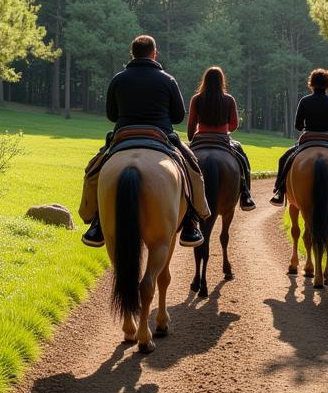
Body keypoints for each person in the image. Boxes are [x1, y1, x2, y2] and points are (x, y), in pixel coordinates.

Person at [79, 35, 211, 248]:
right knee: (192, 167)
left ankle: (95, 221)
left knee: (93, 170)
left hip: (123, 136)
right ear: (154, 53)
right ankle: (192, 220)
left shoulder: (118, 79)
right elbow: (178, 116)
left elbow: (112, 115)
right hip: (161, 136)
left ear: (132, 53)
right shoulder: (167, 79)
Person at [270, 68, 328, 207]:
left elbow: (298, 126)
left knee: (284, 159)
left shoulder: (304, 101)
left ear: (311, 83)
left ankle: (279, 191)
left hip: (308, 138)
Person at [187, 66, 256, 211]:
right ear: (221, 81)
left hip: (200, 139)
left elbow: (191, 125)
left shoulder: (196, 99)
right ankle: (246, 195)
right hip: (223, 140)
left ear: (204, 81)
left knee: (182, 162)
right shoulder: (229, 99)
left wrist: (191, 138)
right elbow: (233, 125)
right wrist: (223, 129)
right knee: (243, 162)